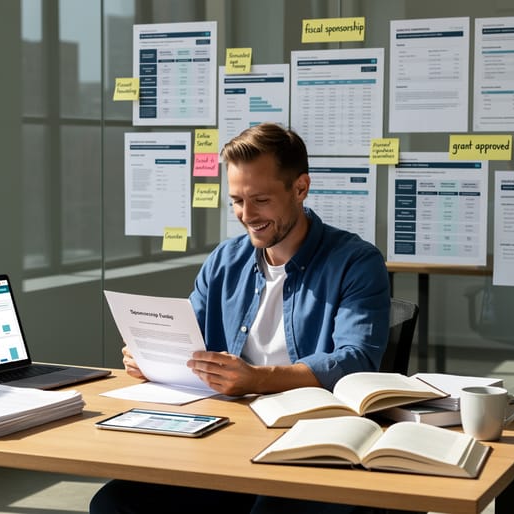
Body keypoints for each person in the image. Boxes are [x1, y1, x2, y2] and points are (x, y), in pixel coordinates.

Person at [90, 123, 391, 514]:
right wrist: (151, 355)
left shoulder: (355, 262)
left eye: (261, 200)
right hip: (227, 434)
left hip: (311, 440)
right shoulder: (225, 260)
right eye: (236, 200)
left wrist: (256, 379)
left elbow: (356, 360)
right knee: (114, 503)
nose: (247, 215)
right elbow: (190, 337)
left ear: (300, 188)